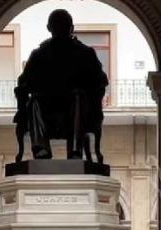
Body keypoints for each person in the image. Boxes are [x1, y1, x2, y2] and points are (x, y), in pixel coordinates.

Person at [14, 9, 107, 160]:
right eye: (57, 26)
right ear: (49, 28)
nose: (60, 30)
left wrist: (88, 93)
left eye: (63, 26)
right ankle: (41, 149)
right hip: (47, 107)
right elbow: (24, 82)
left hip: (77, 107)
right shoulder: (39, 54)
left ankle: (75, 150)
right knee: (34, 102)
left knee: (78, 96)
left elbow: (101, 80)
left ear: (71, 28)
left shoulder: (85, 53)